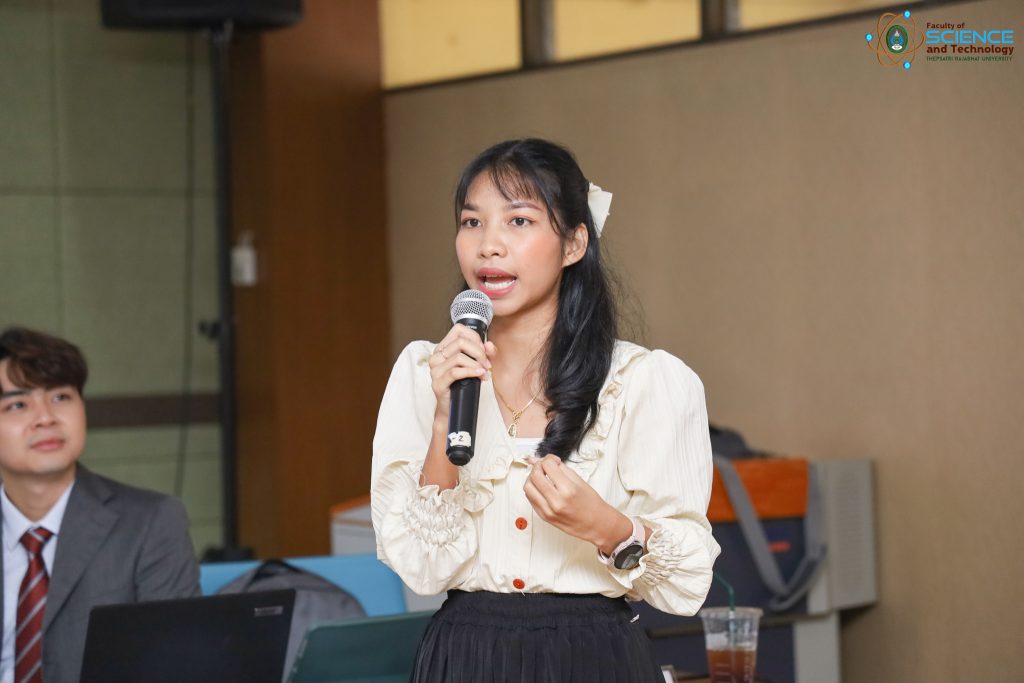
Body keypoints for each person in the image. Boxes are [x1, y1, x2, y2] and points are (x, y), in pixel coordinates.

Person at [371, 138, 720, 682]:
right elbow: (421, 568)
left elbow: (687, 582)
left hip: (595, 658)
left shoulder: (641, 382)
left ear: (574, 243)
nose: (489, 246)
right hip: (464, 659)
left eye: (519, 221)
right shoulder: (426, 374)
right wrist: (443, 421)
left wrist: (603, 525)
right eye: (471, 222)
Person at [0, 327, 200, 683]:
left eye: (61, 397)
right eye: (18, 405)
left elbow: (176, 669)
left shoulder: (151, 524)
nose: (46, 418)